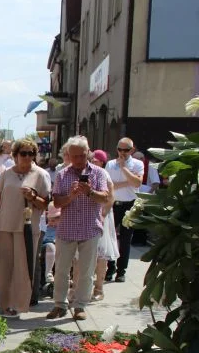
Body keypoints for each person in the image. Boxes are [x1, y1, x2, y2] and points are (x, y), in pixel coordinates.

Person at [47, 136, 110, 321]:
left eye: (82, 155)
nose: (79, 160)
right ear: (68, 155)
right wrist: (72, 196)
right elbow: (57, 202)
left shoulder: (98, 173)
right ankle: (59, 304)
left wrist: (90, 192)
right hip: (67, 229)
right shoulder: (62, 174)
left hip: (90, 229)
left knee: (86, 271)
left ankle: (80, 305)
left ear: (88, 152)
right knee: (61, 270)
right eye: (74, 156)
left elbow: (105, 198)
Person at [0, 139, 51, 316]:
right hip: (5, 226)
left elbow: (46, 204)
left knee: (23, 269)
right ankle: (5, 305)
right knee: (4, 268)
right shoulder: (6, 174)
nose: (28, 157)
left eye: (31, 153)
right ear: (15, 155)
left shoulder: (41, 174)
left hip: (28, 229)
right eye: (24, 153)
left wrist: (33, 197)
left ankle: (19, 305)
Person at [104, 138, 144, 282]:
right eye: (119, 149)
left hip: (130, 204)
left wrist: (124, 168)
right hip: (114, 204)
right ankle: (111, 267)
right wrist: (128, 182)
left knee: (126, 239)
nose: (122, 153)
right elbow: (109, 185)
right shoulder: (110, 164)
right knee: (110, 237)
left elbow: (137, 182)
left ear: (132, 150)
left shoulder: (137, 164)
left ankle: (121, 271)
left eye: (126, 150)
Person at [90, 150, 118, 302]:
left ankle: (99, 288)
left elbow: (111, 196)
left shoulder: (104, 174)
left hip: (102, 217)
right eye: (93, 159)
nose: (94, 162)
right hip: (88, 217)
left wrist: (103, 214)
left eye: (97, 160)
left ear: (102, 162)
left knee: (101, 253)